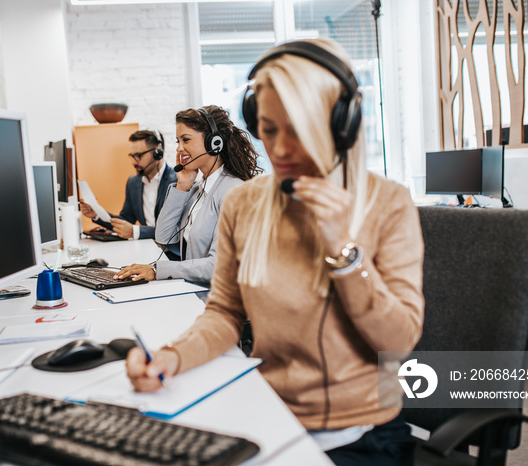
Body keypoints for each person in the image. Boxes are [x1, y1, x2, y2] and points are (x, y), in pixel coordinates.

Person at [125, 38, 424, 466]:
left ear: (340, 123)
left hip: (360, 435)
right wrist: (171, 357)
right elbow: (225, 313)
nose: (279, 149)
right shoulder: (246, 203)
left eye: (298, 129)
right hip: (268, 415)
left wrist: (345, 252)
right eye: (268, 128)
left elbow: (398, 340)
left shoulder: (387, 203)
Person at [114, 105, 262, 285]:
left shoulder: (235, 193)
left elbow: (219, 266)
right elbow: (164, 238)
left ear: (213, 143)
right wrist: (182, 186)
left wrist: (156, 270)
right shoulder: (198, 188)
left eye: (186, 140)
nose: (179, 149)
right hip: (192, 290)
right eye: (178, 141)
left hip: (218, 300)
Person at [81, 129, 177, 240]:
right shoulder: (133, 182)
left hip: (171, 252)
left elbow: (173, 229)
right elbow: (126, 220)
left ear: (157, 153)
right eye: (132, 156)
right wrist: (97, 214)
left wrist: (136, 231)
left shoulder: (177, 183)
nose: (133, 162)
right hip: (147, 246)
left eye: (138, 156)